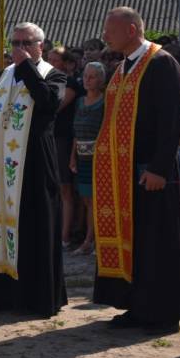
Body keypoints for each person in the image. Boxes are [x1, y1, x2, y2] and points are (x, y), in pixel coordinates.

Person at [92, 7, 180, 334]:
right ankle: (138, 307)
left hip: (151, 170)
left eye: (110, 29)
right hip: (124, 172)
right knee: (137, 243)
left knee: (156, 243)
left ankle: (161, 315)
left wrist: (160, 167)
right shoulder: (121, 68)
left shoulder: (161, 63)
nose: (105, 36)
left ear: (131, 29)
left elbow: (172, 118)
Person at [0, 23, 68, 317]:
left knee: (35, 228)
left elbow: (49, 103)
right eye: (15, 41)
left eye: (26, 42)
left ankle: (38, 298)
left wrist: (26, 66)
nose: (19, 47)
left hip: (35, 164)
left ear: (41, 45)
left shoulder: (54, 74)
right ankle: (1, 294)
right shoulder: (1, 76)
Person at [68, 61, 106, 255]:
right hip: (82, 157)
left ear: (100, 79)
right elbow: (76, 132)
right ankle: (89, 240)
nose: (87, 80)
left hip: (98, 158)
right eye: (85, 76)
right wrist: (72, 157)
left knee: (97, 200)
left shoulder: (105, 101)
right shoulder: (80, 102)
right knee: (86, 200)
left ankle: (95, 240)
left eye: (92, 77)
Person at [47, 47, 81, 248]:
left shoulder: (70, 83)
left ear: (66, 63)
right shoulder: (47, 82)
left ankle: (65, 235)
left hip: (63, 139)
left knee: (65, 188)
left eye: (55, 60)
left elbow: (55, 106)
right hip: (50, 137)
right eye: (48, 59)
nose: (51, 63)